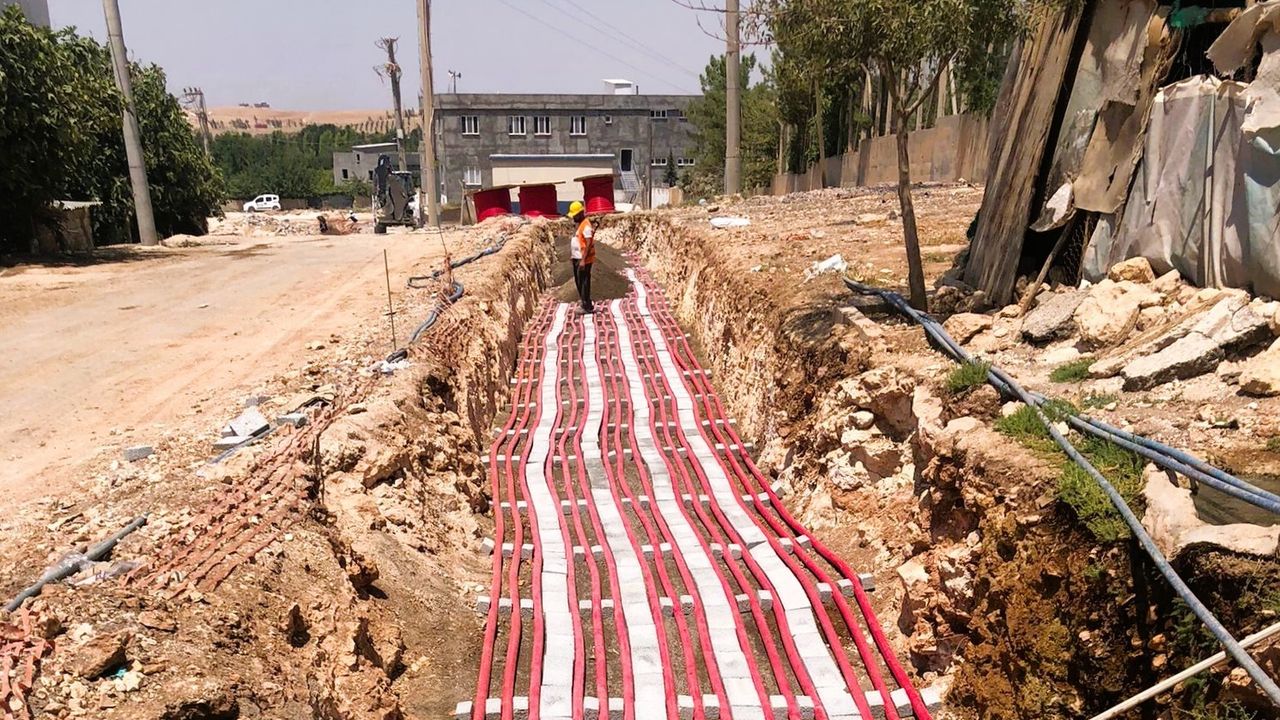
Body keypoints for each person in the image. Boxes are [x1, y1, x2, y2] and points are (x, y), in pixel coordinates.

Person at [568, 200, 595, 313]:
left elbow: (588, 243)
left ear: (580, 214)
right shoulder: (581, 225)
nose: (573, 218)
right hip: (578, 258)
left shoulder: (586, 226)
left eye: (574, 215)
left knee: (583, 282)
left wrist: (583, 260)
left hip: (583, 259)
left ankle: (586, 305)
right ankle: (584, 302)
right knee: (579, 281)